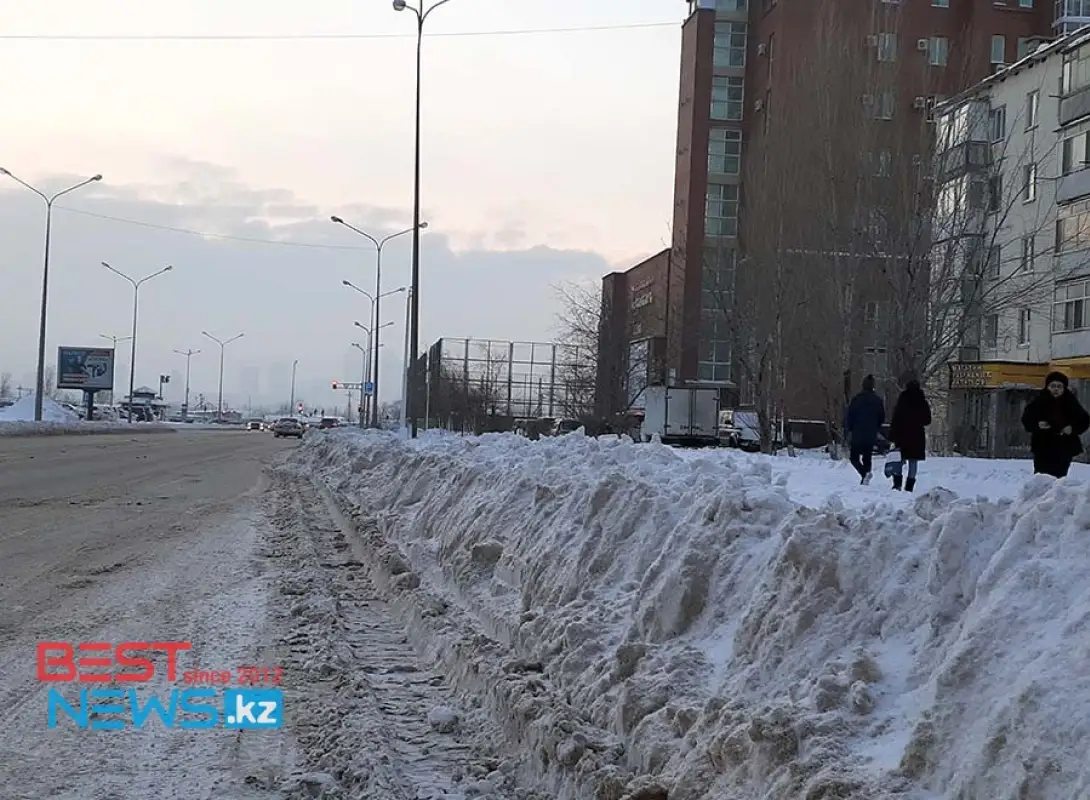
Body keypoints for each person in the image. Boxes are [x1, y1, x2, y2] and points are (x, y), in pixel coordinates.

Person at [1021, 371, 1090, 478]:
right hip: (1043, 446)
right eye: (1053, 386)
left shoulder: (1070, 401)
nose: (1056, 389)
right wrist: (1038, 425)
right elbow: (1026, 419)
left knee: (1059, 478)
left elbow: (1084, 420)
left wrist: (1072, 429)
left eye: (1059, 386)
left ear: (1064, 388)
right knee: (1042, 477)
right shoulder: (1039, 401)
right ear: (1047, 387)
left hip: (1064, 447)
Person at [887, 376, 932, 492]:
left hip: (902, 436)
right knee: (913, 461)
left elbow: (895, 419)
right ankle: (909, 487)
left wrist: (892, 435)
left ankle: (897, 484)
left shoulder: (902, 401)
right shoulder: (922, 402)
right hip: (917, 436)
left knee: (899, 460)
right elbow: (927, 420)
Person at [845, 374, 885, 484]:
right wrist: (876, 427)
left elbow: (850, 415)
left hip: (857, 432)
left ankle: (864, 474)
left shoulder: (856, 399)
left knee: (854, 457)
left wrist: (850, 429)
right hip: (870, 432)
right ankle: (866, 475)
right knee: (867, 456)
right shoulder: (877, 400)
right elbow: (882, 416)